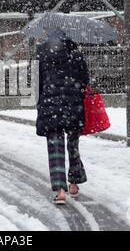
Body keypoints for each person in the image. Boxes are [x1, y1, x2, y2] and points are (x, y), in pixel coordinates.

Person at [36, 28, 90, 205]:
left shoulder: (43, 54)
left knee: (55, 149)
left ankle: (59, 191)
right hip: (73, 106)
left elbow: (38, 82)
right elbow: (85, 80)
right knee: (73, 145)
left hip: (51, 107)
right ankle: (73, 183)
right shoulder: (76, 54)